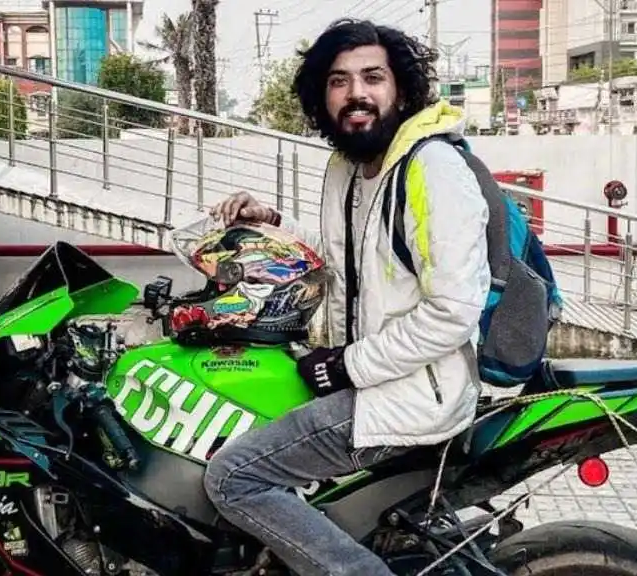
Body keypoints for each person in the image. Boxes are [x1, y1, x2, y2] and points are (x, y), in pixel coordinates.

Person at [203, 18, 490, 576]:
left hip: (409, 395)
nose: (356, 93)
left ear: (400, 89)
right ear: (322, 97)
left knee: (235, 477)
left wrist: (347, 365)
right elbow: (349, 257)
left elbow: (454, 309)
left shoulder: (431, 169)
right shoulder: (352, 167)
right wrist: (272, 225)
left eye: (372, 77)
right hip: (379, 379)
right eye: (338, 81)